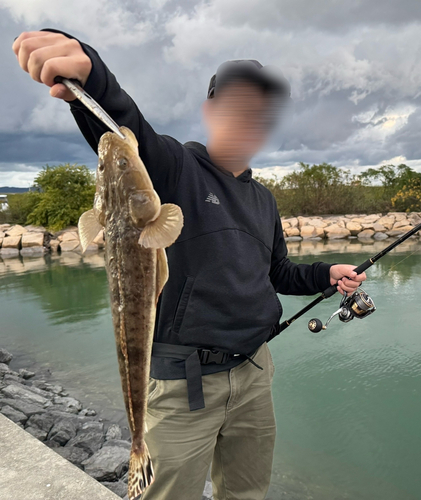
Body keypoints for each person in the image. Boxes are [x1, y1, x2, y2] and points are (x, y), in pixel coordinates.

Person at [12, 29, 367, 500]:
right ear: (212, 111)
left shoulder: (263, 199)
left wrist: (325, 274)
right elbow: (121, 129)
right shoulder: (175, 167)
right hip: (183, 385)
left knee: (246, 493)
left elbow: (277, 273)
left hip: (255, 373)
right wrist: (91, 77)